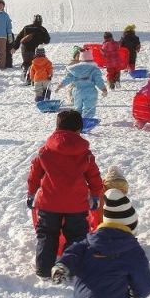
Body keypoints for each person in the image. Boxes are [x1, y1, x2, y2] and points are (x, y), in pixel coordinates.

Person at [51, 189, 150, 298]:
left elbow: (72, 254)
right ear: (130, 225)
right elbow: (144, 280)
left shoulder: (89, 241)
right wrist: (138, 293)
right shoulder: (133, 250)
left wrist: (62, 266)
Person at [27, 110, 103, 278]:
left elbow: (34, 173)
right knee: (76, 235)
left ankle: (44, 270)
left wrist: (31, 193)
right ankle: (69, 267)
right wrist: (96, 195)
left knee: (47, 235)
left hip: (48, 203)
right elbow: (94, 177)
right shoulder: (85, 153)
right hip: (76, 204)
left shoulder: (46, 150)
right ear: (78, 130)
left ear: (57, 128)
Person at [56, 49, 108, 118]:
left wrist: (60, 86)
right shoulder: (94, 69)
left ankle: (77, 121)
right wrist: (103, 89)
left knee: (77, 108)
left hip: (78, 91)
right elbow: (99, 80)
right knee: (89, 108)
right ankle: (87, 121)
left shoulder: (75, 69)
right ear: (91, 59)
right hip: (91, 92)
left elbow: (67, 79)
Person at [11, 14, 50, 84]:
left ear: (33, 20)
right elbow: (47, 40)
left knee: (26, 63)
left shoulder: (26, 27)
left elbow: (19, 38)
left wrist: (15, 47)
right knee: (34, 64)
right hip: (36, 50)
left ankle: (25, 73)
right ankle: (31, 79)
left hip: (25, 48)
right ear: (41, 21)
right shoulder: (42, 29)